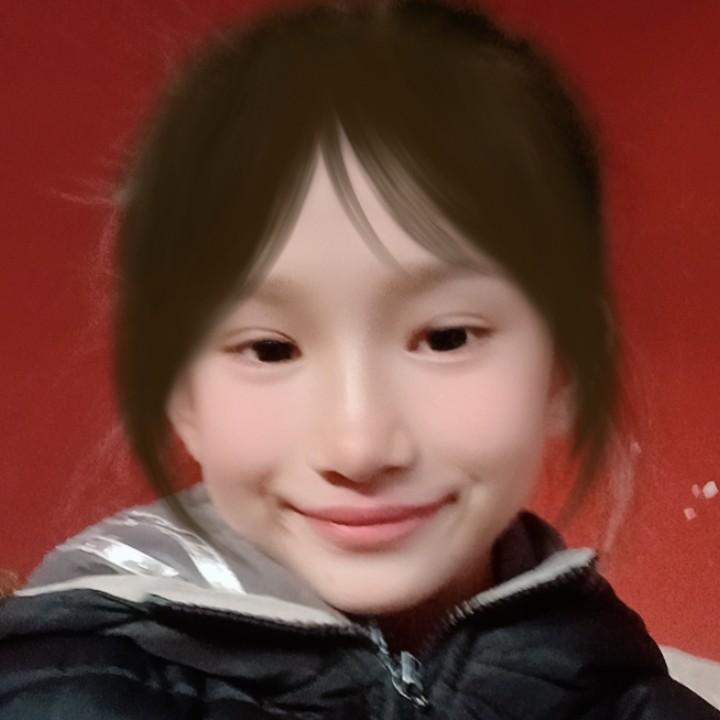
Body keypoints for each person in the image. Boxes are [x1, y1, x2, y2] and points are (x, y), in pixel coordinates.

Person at [1, 0, 719, 716]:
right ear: (180, 394)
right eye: (270, 348)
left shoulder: (627, 691)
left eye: (447, 337)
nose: (360, 447)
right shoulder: (64, 691)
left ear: (565, 371)